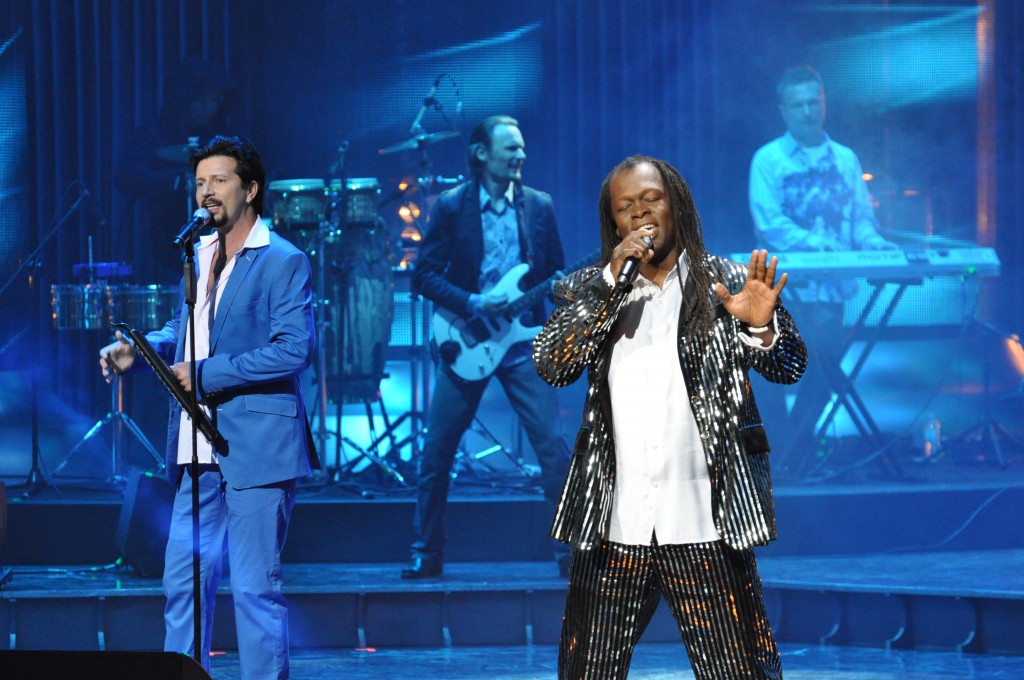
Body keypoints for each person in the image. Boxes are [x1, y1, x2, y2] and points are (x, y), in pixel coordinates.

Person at [534, 155, 807, 679]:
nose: (640, 213)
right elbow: (553, 365)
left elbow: (790, 366)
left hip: (705, 522)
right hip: (615, 525)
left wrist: (761, 328)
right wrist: (608, 287)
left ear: (676, 204)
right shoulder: (591, 289)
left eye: (650, 199)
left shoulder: (728, 283)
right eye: (625, 207)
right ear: (615, 223)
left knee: (739, 671)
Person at [100, 135, 318, 679]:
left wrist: (202, 375)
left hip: (257, 448)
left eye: (219, 180)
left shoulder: (283, 259)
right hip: (196, 447)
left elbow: (294, 349)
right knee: (183, 584)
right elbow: (187, 330)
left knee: (254, 590)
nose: (207, 192)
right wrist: (141, 350)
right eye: (200, 182)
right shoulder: (197, 255)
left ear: (251, 189)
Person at [403, 115, 571, 579]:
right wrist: (475, 302)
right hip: (466, 338)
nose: (521, 155)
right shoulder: (452, 206)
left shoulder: (539, 206)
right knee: (437, 451)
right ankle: (426, 551)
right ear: (481, 154)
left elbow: (554, 276)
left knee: (554, 449)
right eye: (511, 148)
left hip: (520, 344)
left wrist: (569, 292)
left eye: (522, 147)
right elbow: (423, 276)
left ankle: (571, 556)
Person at [748, 65, 897, 475]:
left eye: (814, 102)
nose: (808, 111)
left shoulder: (845, 159)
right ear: (784, 110)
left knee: (825, 372)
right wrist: (820, 245)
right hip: (782, 289)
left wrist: (875, 246)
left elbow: (861, 220)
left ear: (824, 102)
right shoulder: (768, 160)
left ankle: (789, 462)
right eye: (798, 104)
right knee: (772, 374)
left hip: (832, 290)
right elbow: (770, 224)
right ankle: (779, 459)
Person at [115, 58, 239, 285]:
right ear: (184, 99)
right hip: (165, 247)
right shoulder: (154, 134)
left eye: (213, 100)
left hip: (221, 245)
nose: (208, 108)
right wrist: (175, 181)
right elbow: (125, 175)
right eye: (201, 100)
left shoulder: (226, 136)